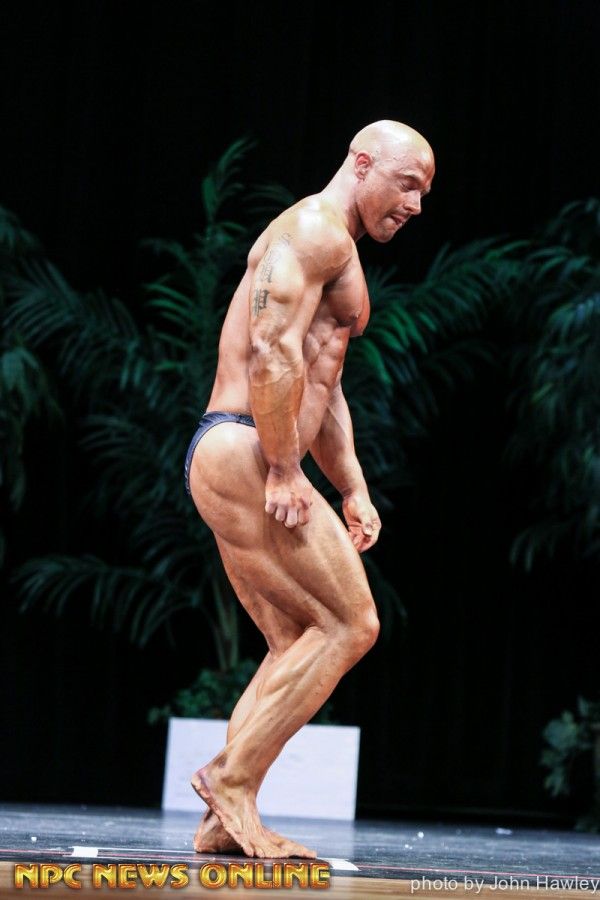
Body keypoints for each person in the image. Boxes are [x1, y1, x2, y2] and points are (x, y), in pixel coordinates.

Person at [184, 120, 435, 858]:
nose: (416, 205)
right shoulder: (314, 230)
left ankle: (221, 818)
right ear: (362, 164)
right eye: (408, 185)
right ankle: (230, 780)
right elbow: (272, 350)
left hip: (245, 448)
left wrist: (351, 485)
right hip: (245, 447)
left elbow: (324, 384)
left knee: (295, 639)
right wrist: (285, 467)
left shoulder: (339, 250)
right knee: (352, 623)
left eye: (425, 193)